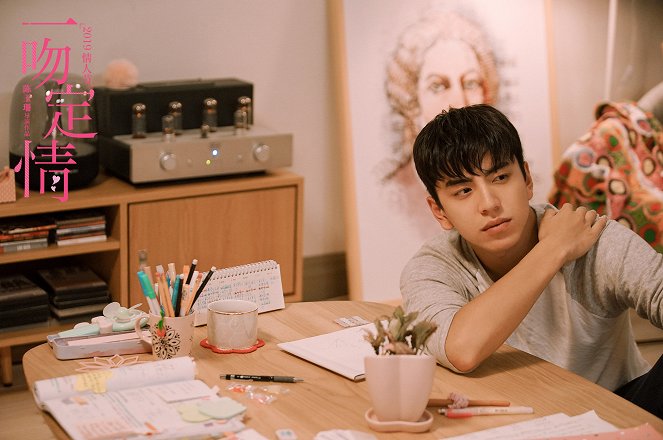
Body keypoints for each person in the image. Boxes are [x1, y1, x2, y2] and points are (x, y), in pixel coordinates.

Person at [401, 104, 663, 417]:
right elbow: (461, 350)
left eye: (500, 177)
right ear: (438, 210)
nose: (489, 204)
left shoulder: (590, 237)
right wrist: (552, 250)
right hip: (512, 422)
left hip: (619, 408)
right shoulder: (431, 268)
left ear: (526, 179)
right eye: (464, 190)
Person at [382, 11, 499, 184]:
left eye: (470, 83)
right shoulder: (398, 187)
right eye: (438, 86)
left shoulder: (505, 170)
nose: (459, 102)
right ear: (412, 99)